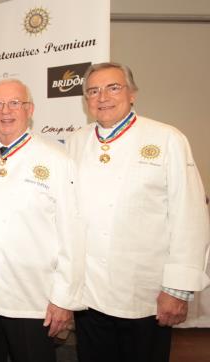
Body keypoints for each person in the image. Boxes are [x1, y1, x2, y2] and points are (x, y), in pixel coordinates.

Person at [66, 62, 210, 362]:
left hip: (145, 295)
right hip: (89, 294)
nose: (103, 96)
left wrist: (178, 289)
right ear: (86, 101)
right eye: (93, 91)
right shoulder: (76, 142)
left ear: (132, 94)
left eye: (113, 87)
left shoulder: (167, 139)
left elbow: (190, 217)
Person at [0, 78, 84, 362]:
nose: (6, 111)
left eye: (15, 103)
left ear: (30, 109)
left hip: (32, 299)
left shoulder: (55, 160)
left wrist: (64, 299)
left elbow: (72, 235)